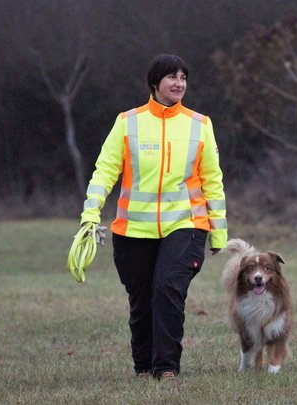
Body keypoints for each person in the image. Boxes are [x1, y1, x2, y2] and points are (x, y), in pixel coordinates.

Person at [78, 54, 227, 379]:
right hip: (133, 230)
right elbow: (104, 172)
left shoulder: (200, 125)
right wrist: (91, 213)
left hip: (186, 225)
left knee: (167, 290)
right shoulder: (127, 122)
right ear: (154, 83)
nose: (179, 83)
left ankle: (167, 368)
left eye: (183, 78)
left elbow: (213, 181)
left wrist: (219, 232)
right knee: (142, 298)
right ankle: (144, 367)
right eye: (172, 77)